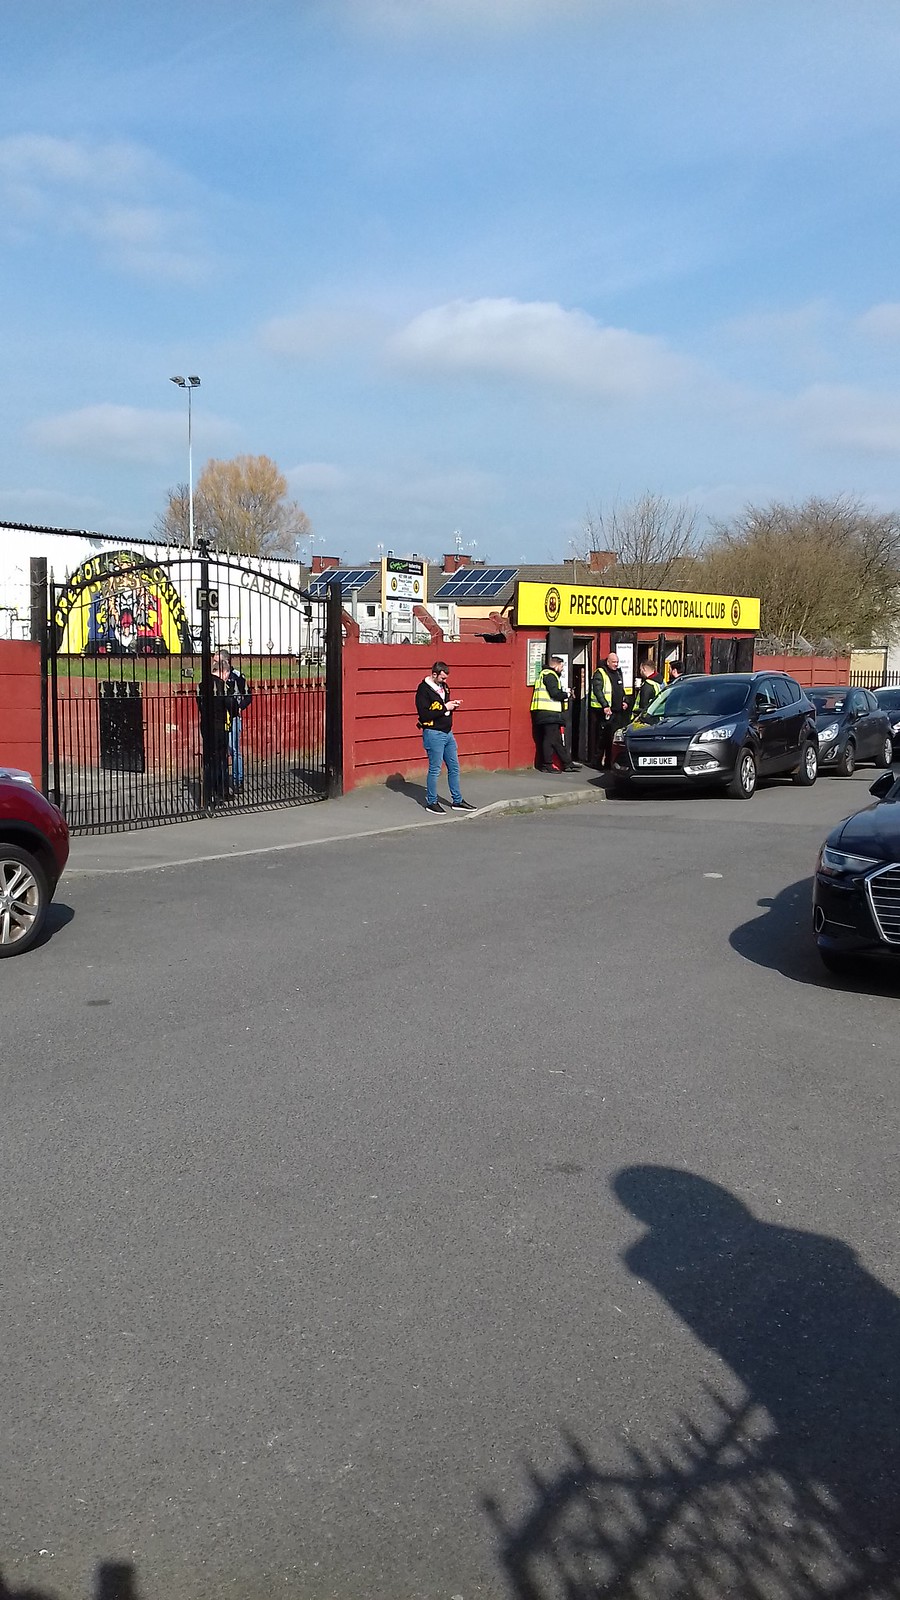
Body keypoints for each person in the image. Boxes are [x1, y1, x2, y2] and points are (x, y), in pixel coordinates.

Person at [415, 660, 476, 815]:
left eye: (446, 678)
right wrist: (445, 708)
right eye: (442, 678)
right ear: (434, 674)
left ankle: (457, 800)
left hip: (448, 732)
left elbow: (443, 707)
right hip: (433, 733)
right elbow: (424, 714)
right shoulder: (423, 690)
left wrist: (452, 704)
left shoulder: (444, 687)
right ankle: (431, 802)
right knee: (435, 769)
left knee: (454, 767)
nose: (445, 681)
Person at [531, 654, 581, 773]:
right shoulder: (550, 675)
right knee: (549, 739)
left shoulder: (545, 674)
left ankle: (567, 763)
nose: (562, 669)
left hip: (546, 712)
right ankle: (547, 765)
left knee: (556, 739)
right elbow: (555, 694)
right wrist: (566, 694)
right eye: (562, 666)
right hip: (548, 712)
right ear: (557, 665)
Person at [213, 652, 252, 792]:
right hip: (219, 718)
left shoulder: (237, 676)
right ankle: (221, 782)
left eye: (216, 660)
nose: (213, 663)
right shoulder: (213, 677)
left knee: (233, 749)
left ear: (225, 661)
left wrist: (238, 708)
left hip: (233, 717)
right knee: (221, 750)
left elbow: (248, 697)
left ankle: (238, 781)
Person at [590, 651, 629, 770]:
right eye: (613, 662)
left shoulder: (618, 673)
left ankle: (609, 762)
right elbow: (598, 690)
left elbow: (621, 690)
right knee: (601, 738)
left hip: (617, 712)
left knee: (612, 739)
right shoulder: (600, 673)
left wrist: (624, 700)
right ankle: (596, 762)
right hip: (603, 712)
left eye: (617, 662)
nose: (616, 664)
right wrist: (605, 705)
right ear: (607, 662)